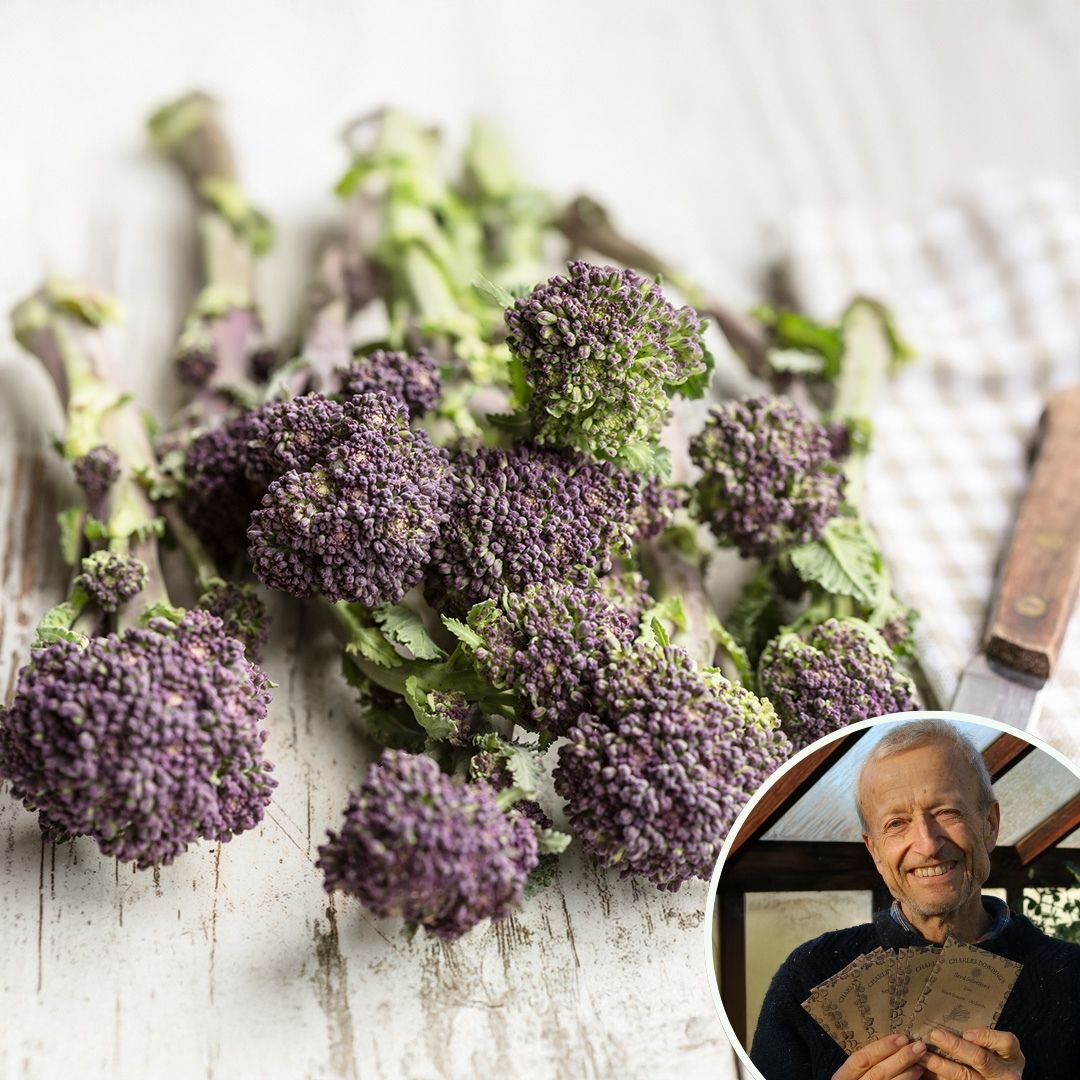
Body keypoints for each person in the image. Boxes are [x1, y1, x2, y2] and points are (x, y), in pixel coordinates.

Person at [748, 719, 1080, 1079]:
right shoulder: (807, 976)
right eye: (896, 824)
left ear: (989, 825)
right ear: (874, 851)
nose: (927, 844)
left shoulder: (1073, 976)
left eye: (946, 812)